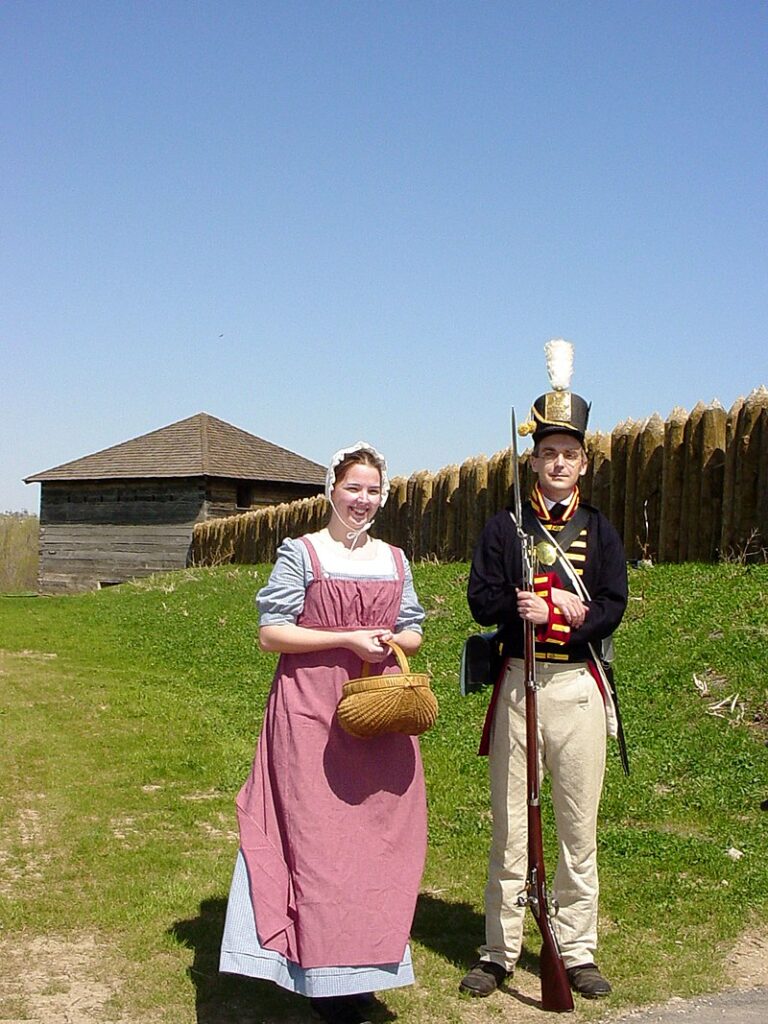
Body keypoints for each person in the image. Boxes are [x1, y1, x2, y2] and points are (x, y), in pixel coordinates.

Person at [219, 442, 427, 1024]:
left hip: (377, 715)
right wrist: (345, 636)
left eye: (373, 490)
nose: (363, 500)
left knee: (379, 845)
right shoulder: (302, 553)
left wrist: (386, 639)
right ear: (330, 489)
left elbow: (411, 633)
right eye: (353, 488)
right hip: (310, 713)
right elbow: (271, 633)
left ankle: (363, 970)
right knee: (319, 845)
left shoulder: (394, 558)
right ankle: (319, 975)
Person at [460, 340, 628, 1001]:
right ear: (533, 459)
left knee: (575, 825)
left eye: (570, 454)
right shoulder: (505, 527)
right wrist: (517, 604)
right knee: (511, 828)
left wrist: (565, 606)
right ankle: (499, 950)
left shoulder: (600, 529)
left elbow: (614, 604)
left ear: (583, 461)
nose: (558, 464)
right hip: (516, 687)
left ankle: (576, 949)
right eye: (548, 453)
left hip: (577, 687)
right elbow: (479, 596)